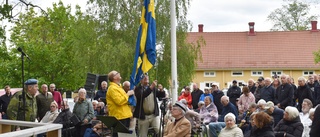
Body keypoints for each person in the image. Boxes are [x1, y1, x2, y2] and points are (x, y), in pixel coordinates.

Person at [106, 70, 134, 137]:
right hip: (119, 117)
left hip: (124, 116)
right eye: (117, 73)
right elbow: (119, 101)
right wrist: (128, 94)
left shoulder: (119, 87)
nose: (119, 73)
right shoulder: (112, 88)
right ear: (114, 77)